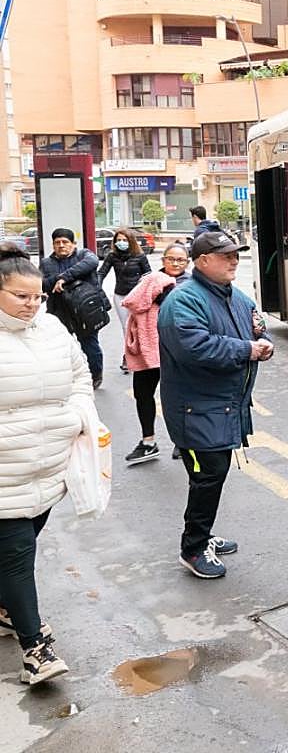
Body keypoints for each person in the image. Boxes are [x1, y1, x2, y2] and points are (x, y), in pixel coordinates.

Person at [0, 241, 96, 684]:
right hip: (5, 473)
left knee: (22, 548)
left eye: (37, 296)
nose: (32, 305)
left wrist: (76, 414)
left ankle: (6, 606)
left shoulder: (53, 327)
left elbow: (80, 375)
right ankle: (36, 649)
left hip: (48, 468)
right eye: (21, 296)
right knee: (18, 556)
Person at [157, 230, 272, 579]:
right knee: (208, 476)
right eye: (226, 256)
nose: (234, 260)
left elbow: (257, 326)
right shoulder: (184, 301)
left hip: (223, 406)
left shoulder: (234, 295)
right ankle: (192, 548)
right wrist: (248, 350)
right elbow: (196, 348)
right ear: (203, 261)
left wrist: (263, 342)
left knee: (211, 475)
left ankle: (202, 534)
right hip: (195, 409)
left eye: (236, 254)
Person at [120, 243, 191, 465]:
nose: (176, 263)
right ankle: (148, 441)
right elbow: (134, 302)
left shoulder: (192, 284)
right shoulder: (149, 281)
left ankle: (184, 441)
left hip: (177, 350)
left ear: (187, 263)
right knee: (142, 394)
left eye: (181, 260)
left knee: (180, 397)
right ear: (163, 260)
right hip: (148, 348)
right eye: (172, 259)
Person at [39, 228, 104, 388]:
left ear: (73, 244)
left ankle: (95, 375)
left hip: (85, 311)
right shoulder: (46, 263)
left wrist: (63, 278)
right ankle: (66, 377)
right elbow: (43, 284)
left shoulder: (84, 256)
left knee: (90, 345)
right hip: (59, 311)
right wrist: (58, 279)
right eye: (57, 243)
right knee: (60, 347)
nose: (61, 246)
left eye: (65, 242)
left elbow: (92, 263)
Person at [97, 226, 151, 373]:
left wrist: (143, 286)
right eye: (118, 240)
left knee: (139, 327)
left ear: (130, 241)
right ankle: (127, 357)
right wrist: (97, 285)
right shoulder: (112, 256)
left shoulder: (139, 256)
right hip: (120, 296)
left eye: (124, 240)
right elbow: (102, 272)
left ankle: (142, 355)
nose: (121, 242)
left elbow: (148, 274)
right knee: (126, 328)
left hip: (137, 297)